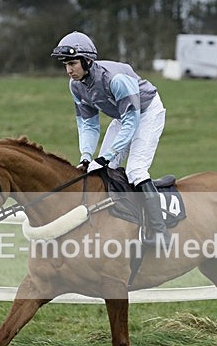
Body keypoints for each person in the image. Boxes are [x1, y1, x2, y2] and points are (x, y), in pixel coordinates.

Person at [51, 31, 168, 246]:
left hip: (146, 112)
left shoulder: (116, 79)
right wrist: (86, 156)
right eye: (65, 64)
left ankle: (160, 232)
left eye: (73, 64)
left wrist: (105, 156)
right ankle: (113, 224)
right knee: (101, 171)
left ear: (87, 61)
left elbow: (132, 122)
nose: (69, 70)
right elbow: (88, 124)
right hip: (123, 117)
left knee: (136, 170)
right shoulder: (75, 85)